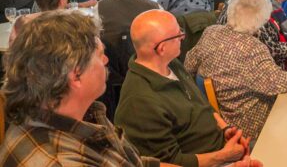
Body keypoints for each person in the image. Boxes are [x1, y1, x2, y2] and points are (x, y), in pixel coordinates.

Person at [0, 10, 166, 166]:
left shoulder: (80, 112)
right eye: (101, 55)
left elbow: (133, 161)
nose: (106, 60)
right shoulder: (61, 160)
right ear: (76, 75)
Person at [115, 9, 262, 167]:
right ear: (162, 48)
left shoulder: (170, 63)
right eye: (178, 35)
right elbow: (172, 162)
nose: (183, 37)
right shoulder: (140, 102)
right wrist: (225, 156)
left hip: (222, 147)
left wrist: (225, 129)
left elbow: (202, 105)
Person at [185, 0, 287, 140]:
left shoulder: (211, 32)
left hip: (218, 120)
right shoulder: (252, 48)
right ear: (260, 20)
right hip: (250, 126)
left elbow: (188, 66)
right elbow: (281, 84)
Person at [97, 0, 160, 85]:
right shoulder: (155, 7)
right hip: (145, 66)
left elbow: (94, 35)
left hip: (110, 68)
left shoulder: (101, 5)